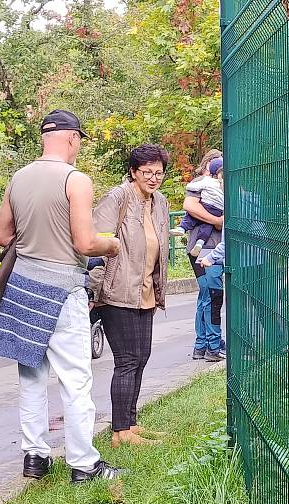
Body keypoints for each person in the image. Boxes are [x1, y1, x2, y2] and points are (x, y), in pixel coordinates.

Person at [0, 109, 122, 483]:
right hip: (63, 290)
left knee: (31, 377)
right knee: (75, 379)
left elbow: (1, 236)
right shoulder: (75, 180)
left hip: (21, 291)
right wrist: (111, 245)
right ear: (72, 138)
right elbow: (84, 242)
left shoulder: (19, 177)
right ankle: (83, 464)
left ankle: (35, 457)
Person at [90, 144, 171, 447]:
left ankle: (131, 425)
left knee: (142, 358)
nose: (153, 178)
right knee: (126, 360)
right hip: (117, 292)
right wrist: (95, 287)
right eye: (146, 172)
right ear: (134, 172)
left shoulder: (159, 202)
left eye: (158, 173)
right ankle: (119, 432)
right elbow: (96, 243)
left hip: (146, 292)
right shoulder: (118, 197)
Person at [184, 149, 225, 361]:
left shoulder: (216, 185)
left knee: (205, 296)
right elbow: (189, 206)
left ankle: (202, 344)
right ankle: (212, 344)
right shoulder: (202, 184)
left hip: (212, 247)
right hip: (205, 248)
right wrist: (217, 221)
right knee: (212, 296)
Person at [170, 157, 224, 258]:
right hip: (211, 245)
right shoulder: (203, 181)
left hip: (220, 247)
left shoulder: (205, 182)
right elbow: (190, 205)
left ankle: (184, 230)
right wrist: (217, 220)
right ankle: (194, 239)